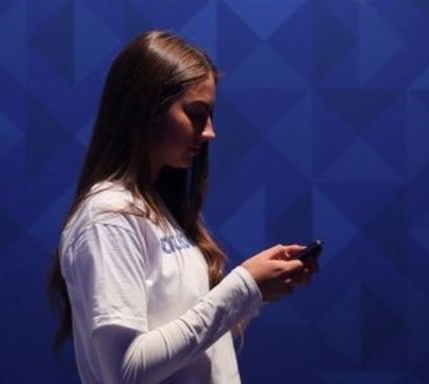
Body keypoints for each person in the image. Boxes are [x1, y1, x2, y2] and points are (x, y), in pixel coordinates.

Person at [47, 30, 318, 384]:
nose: (209, 133)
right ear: (147, 109)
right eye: (196, 114)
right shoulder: (108, 218)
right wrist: (242, 288)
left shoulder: (158, 210)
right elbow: (126, 371)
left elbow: (185, 344)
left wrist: (257, 292)